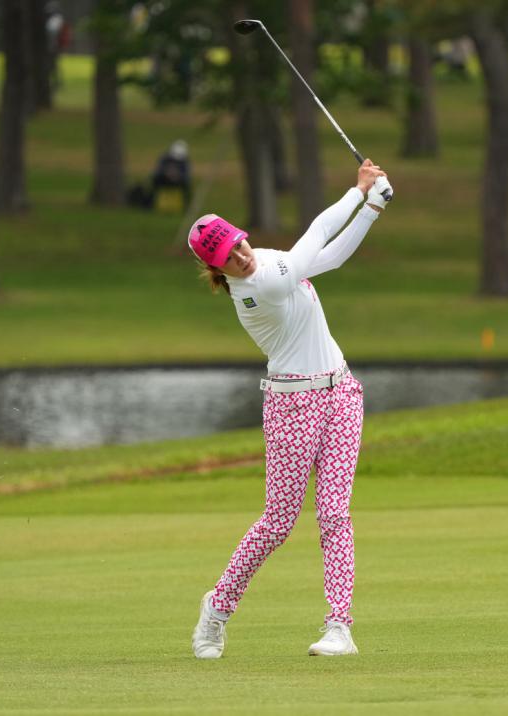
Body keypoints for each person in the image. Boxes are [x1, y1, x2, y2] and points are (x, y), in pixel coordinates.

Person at [188, 159, 392, 659]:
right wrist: (358, 191)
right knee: (278, 522)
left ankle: (339, 627)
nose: (240, 256)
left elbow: (330, 258)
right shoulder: (261, 288)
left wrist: (371, 210)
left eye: (238, 244)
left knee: (335, 514)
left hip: (341, 392)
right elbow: (318, 233)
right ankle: (217, 608)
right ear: (216, 270)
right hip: (292, 404)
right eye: (227, 257)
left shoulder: (268, 260)